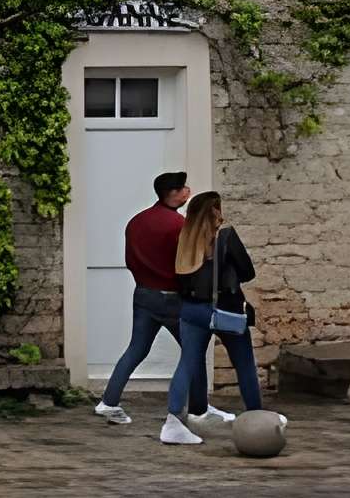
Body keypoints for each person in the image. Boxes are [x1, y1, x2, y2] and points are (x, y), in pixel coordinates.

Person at [93, 171, 192, 429]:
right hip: (171, 297)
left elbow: (130, 260)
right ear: (172, 193)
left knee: (136, 349)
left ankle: (110, 401)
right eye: (183, 188)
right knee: (192, 349)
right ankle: (187, 410)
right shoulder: (179, 226)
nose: (187, 191)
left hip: (143, 294)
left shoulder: (136, 222)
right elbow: (187, 264)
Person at [165, 190, 262, 445]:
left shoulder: (184, 239)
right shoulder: (226, 237)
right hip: (224, 309)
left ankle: (173, 423)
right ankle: (257, 418)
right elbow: (247, 272)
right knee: (244, 365)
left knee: (187, 364)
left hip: (191, 310)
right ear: (215, 211)